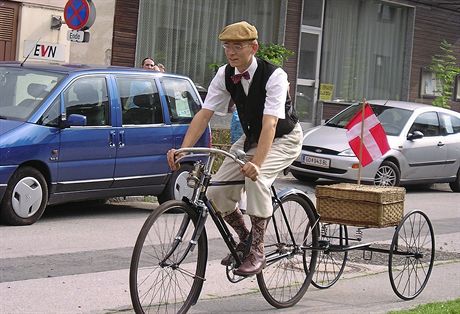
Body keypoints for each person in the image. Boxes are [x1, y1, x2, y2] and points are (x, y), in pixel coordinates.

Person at [167, 21, 302, 276]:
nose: (231, 51)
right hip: (251, 138)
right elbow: (204, 114)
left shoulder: (275, 76)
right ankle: (245, 238)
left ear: (253, 47)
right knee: (216, 192)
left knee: (256, 179)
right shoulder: (225, 74)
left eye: (237, 46)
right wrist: (183, 149)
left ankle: (258, 250)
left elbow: (271, 124)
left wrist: (257, 163)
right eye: (227, 46)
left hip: (284, 138)